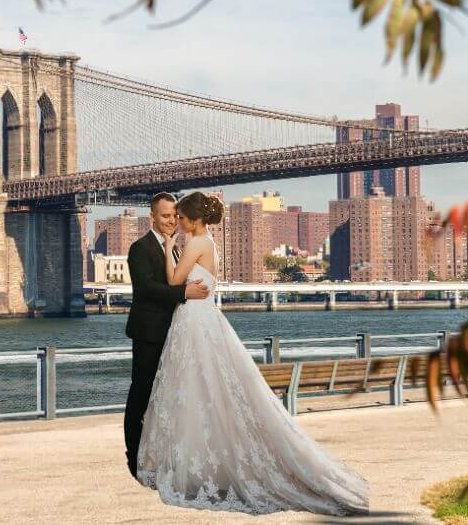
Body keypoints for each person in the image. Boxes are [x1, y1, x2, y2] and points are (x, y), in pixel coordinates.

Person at [136, 191, 369, 516]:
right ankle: (203, 464)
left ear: (194, 220)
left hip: (193, 323)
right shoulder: (209, 243)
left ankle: (194, 465)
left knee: (194, 391)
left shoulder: (195, 243)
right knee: (210, 392)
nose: (179, 222)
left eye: (183, 218)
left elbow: (174, 279)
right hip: (203, 320)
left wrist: (166, 248)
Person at [123, 192, 210, 478]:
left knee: (167, 398)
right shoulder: (139, 248)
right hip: (149, 333)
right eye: (165, 216)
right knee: (141, 396)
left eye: (175, 215)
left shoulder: (175, 247)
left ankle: (161, 456)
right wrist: (184, 292)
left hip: (173, 334)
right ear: (152, 216)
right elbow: (146, 289)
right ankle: (135, 460)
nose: (171, 220)